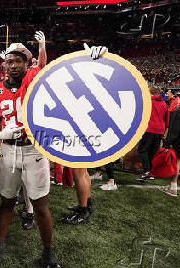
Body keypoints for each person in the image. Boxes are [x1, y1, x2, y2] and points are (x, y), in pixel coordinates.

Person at [0, 31, 64, 268]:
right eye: (10, 60)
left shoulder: (34, 81)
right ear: (4, 63)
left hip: (33, 150)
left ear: (27, 64)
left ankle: (48, 253)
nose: (14, 65)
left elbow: (44, 67)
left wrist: (42, 46)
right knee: (6, 201)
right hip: (7, 150)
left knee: (40, 206)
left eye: (19, 60)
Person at [62, 43, 109, 225]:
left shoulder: (88, 80)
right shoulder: (82, 81)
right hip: (84, 127)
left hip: (83, 128)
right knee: (83, 172)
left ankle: (83, 211)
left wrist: (98, 58)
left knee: (79, 172)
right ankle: (86, 203)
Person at [159, 81, 180, 197]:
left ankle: (173, 188)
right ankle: (173, 187)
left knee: (177, 164)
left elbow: (174, 131)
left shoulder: (179, 112)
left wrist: (167, 144)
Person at [137, 86, 169, 182]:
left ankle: (146, 171)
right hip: (159, 131)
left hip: (149, 129)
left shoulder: (147, 102)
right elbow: (167, 121)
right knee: (152, 151)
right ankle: (150, 172)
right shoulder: (164, 104)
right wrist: (163, 132)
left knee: (142, 150)